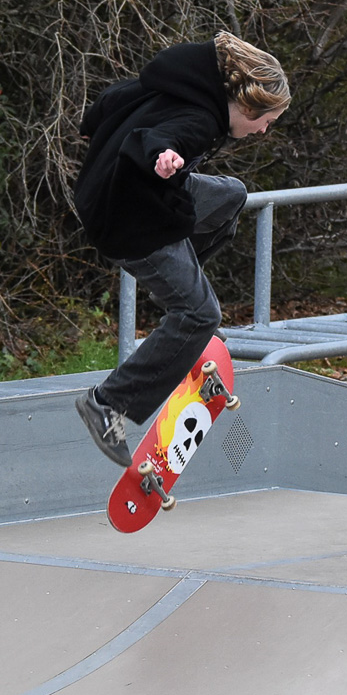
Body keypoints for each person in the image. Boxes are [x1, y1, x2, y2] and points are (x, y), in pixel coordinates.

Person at [73, 31, 291, 466]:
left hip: (124, 198)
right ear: (247, 106)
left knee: (231, 195)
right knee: (202, 314)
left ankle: (181, 307)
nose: (264, 130)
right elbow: (163, 137)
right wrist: (165, 153)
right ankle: (109, 403)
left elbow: (108, 105)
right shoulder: (201, 121)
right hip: (132, 221)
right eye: (266, 121)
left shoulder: (176, 86)